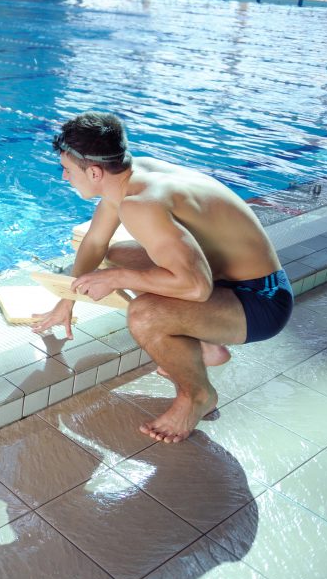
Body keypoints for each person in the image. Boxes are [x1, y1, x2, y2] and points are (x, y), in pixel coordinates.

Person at [33, 112, 292, 443]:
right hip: (227, 280)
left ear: (94, 172)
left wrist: (114, 278)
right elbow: (96, 241)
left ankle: (197, 396)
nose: (64, 177)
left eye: (67, 170)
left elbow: (197, 288)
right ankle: (205, 345)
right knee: (120, 250)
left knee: (144, 314)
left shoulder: (141, 204)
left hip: (261, 302)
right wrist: (68, 298)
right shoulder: (129, 175)